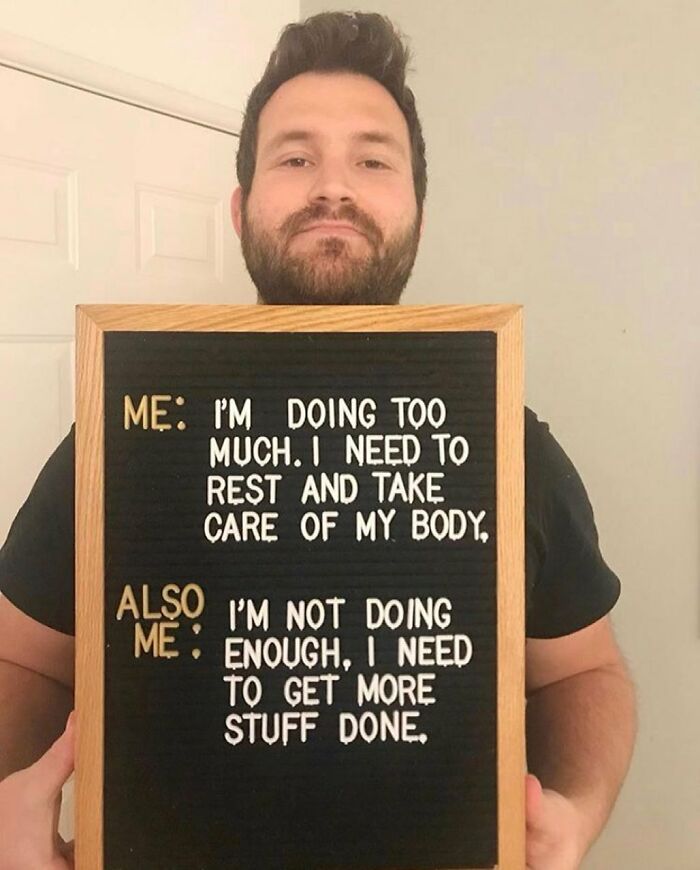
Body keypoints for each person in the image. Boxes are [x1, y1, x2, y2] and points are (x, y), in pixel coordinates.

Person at [0, 11, 636, 869]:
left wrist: (577, 814)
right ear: (240, 207)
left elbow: (582, 673)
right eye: (295, 157)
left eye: (373, 160)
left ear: (416, 207)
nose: (332, 187)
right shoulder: (124, 427)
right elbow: (25, 657)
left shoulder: (508, 442)